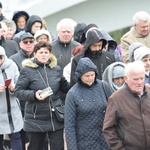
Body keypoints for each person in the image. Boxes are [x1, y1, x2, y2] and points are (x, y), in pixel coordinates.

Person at [14, 42, 69, 150]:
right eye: (41, 52)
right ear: (35, 54)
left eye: (46, 52)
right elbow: (18, 91)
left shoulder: (57, 69)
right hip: (36, 118)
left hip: (55, 116)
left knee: (58, 147)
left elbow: (65, 88)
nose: (43, 55)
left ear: (50, 54)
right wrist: (34, 95)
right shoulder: (27, 70)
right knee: (35, 147)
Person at [65, 57, 112, 150]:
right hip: (85, 143)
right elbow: (69, 126)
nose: (90, 78)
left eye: (92, 75)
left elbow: (114, 112)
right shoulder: (72, 94)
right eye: (87, 76)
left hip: (105, 141)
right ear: (80, 76)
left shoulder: (104, 87)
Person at [103, 61, 150, 150]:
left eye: (142, 78)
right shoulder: (116, 99)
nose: (140, 82)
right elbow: (108, 129)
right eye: (135, 79)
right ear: (126, 78)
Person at [0, 46, 23, 150]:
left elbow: (20, 84)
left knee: (16, 135)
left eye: (1, 57)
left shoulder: (12, 65)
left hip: (12, 107)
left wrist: (13, 88)